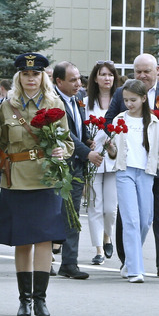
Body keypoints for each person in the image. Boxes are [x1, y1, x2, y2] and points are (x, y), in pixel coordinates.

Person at [0, 53, 71, 316]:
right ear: (19, 77)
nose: (30, 79)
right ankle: (24, 299)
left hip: (47, 178)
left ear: (43, 76)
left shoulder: (55, 104)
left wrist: (62, 150)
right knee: (22, 241)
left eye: (35, 74)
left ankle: (40, 299)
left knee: (44, 239)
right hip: (17, 180)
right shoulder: (7, 105)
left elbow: (68, 142)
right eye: (25, 74)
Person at [105, 53, 159, 276]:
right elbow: (110, 125)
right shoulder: (121, 104)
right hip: (126, 170)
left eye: (147, 71)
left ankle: (153, 261)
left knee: (150, 217)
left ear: (158, 71)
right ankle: (133, 267)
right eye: (138, 71)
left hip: (153, 168)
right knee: (130, 219)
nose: (143, 75)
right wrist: (110, 146)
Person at [51, 60, 97, 280]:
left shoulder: (78, 98)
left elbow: (80, 125)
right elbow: (65, 134)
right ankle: (44, 259)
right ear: (58, 81)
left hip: (76, 165)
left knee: (72, 215)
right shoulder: (52, 101)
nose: (79, 83)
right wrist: (87, 153)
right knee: (52, 214)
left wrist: (88, 140)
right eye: (73, 80)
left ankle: (69, 262)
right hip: (57, 165)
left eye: (79, 78)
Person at [84, 60, 119, 266]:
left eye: (110, 75)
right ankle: (98, 247)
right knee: (95, 205)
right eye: (103, 74)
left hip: (114, 160)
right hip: (93, 158)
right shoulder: (86, 102)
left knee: (110, 207)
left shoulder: (120, 100)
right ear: (95, 78)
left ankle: (108, 236)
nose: (107, 78)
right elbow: (82, 130)